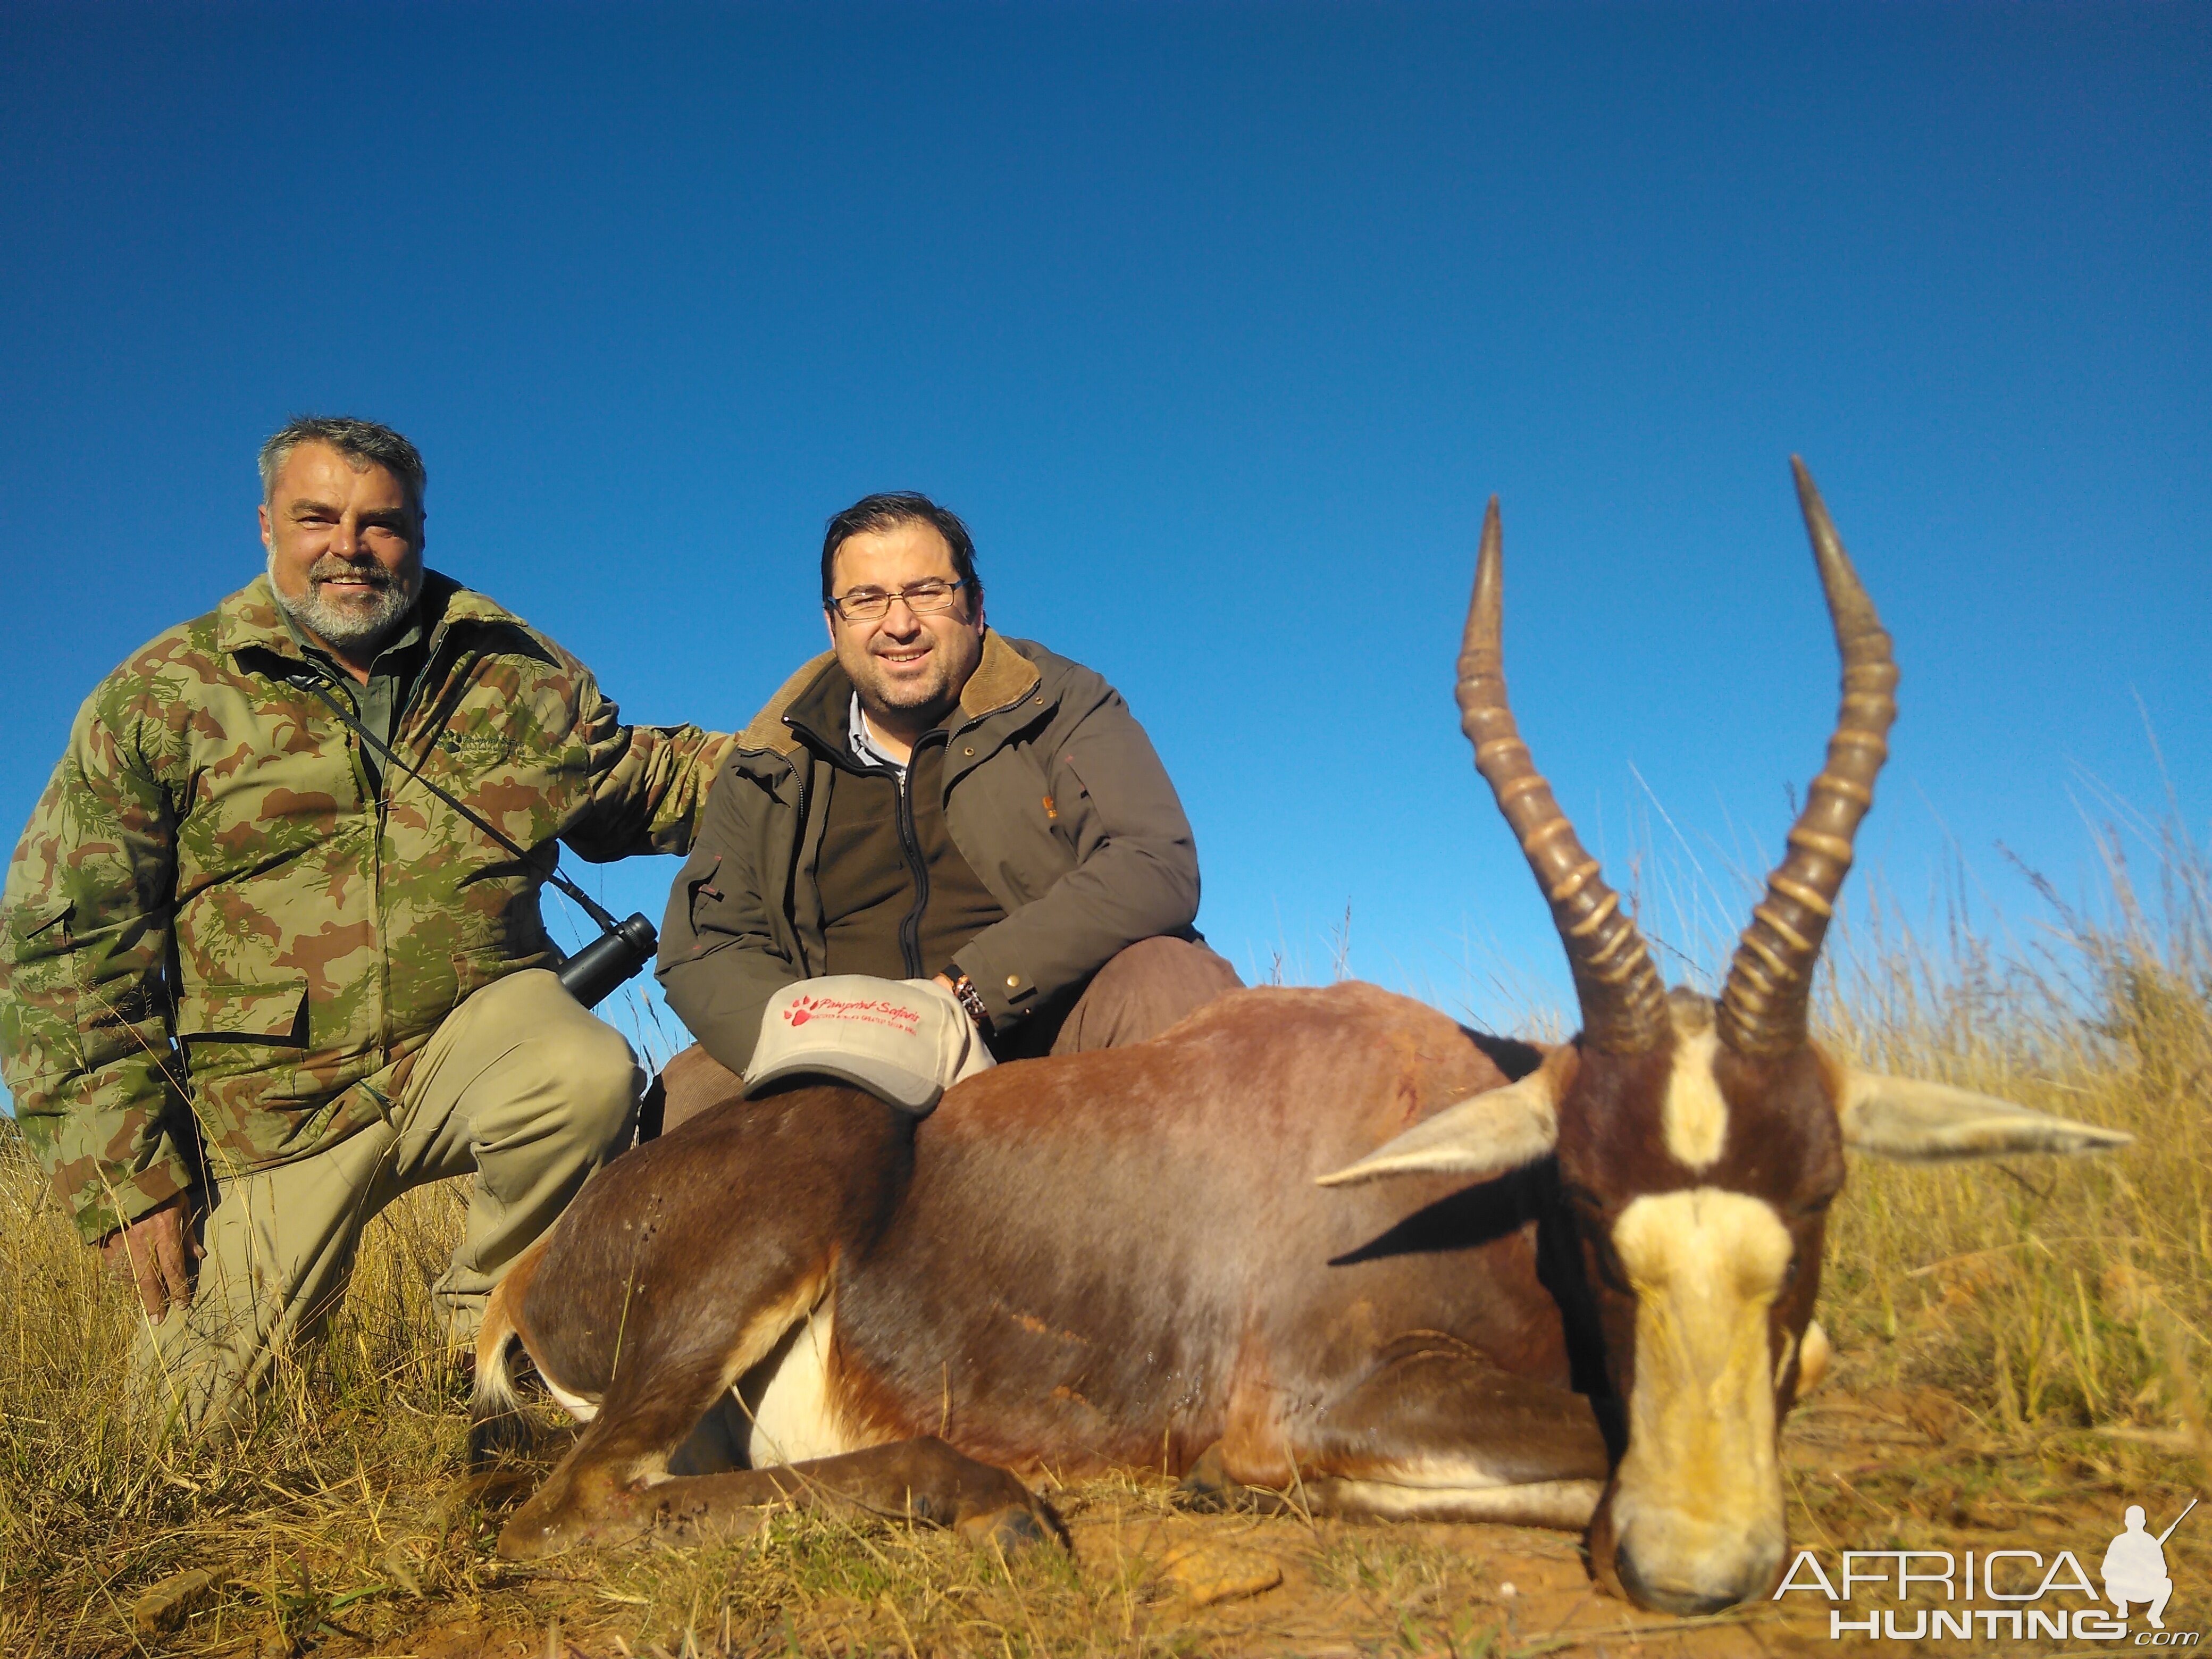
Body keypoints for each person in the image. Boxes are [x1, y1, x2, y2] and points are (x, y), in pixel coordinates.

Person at [0, 416, 733, 1434]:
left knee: (587, 1070)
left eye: (381, 524)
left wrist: (844, 737)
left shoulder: (510, 672)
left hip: (475, 1043)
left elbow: (641, 782)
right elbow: (63, 947)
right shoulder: (161, 696)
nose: (350, 545)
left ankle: (488, 1355)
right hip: (270, 1117)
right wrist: (127, 1180)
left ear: (419, 534)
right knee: (177, 1440)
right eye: (318, 518)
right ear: (267, 526)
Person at [656, 491, 1237, 1107]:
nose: (899, 623)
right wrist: (823, 1037)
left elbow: (1151, 861)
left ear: (976, 607)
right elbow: (707, 943)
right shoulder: (769, 758)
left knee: (1169, 984)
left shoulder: (1061, 700)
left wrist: (966, 995)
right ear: (833, 625)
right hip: (841, 1057)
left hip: (1047, 1026)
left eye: (928, 591)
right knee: (687, 1094)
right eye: (865, 599)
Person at [2103, 1505, 2176, 1629]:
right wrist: (2125, 1570)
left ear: (2143, 1522)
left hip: (2146, 1589)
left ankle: (2154, 1615)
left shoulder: (2151, 1542)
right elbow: (2106, 1570)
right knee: (2110, 1583)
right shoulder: (2119, 1541)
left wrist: (2147, 1570)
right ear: (2126, 1522)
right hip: (2123, 1589)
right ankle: (2122, 1607)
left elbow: (2163, 1571)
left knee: (2167, 1583)